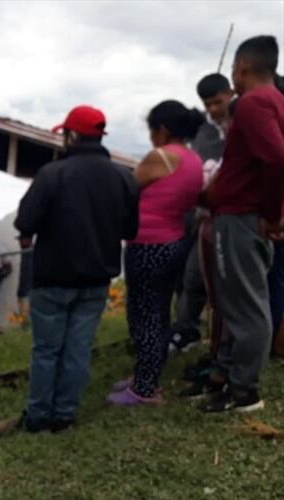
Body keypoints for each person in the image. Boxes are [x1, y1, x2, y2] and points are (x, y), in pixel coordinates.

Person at [15, 105, 139, 432]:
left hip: (53, 278)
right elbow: (130, 231)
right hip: (97, 281)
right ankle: (65, 415)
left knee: (46, 351)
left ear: (71, 135)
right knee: (77, 350)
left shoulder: (53, 174)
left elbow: (25, 222)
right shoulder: (123, 177)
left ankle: (39, 416)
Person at [200, 35, 284, 413]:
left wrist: (271, 213)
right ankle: (233, 379)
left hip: (241, 217)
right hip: (247, 214)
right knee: (246, 300)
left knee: (246, 306)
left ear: (243, 66)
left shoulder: (251, 103)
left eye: (233, 67)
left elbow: (277, 159)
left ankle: (244, 391)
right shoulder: (275, 101)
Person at [107, 101, 204, 406]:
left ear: (162, 130)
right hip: (174, 242)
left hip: (148, 244)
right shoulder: (194, 160)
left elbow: (127, 189)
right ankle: (145, 377)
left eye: (151, 130)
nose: (150, 137)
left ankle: (144, 389)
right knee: (159, 313)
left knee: (144, 314)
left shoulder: (160, 156)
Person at [169, 73, 234, 353]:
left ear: (230, 93)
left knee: (225, 286)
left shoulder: (244, 120)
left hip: (231, 217)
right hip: (200, 216)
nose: (213, 110)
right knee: (191, 278)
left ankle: (227, 349)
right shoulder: (201, 130)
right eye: (208, 105)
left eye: (218, 102)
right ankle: (187, 331)